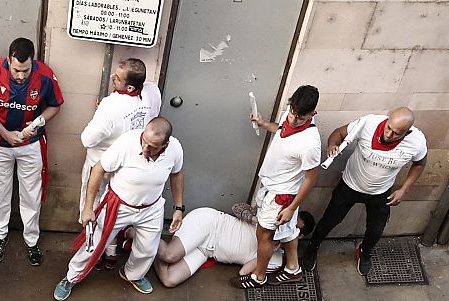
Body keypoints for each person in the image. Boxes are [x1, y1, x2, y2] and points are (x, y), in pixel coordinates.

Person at [54, 117, 184, 301]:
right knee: (94, 245)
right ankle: (71, 277)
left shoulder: (175, 148)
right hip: (119, 204)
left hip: (151, 208)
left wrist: (178, 207)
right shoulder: (127, 142)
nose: (145, 149)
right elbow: (98, 169)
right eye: (144, 142)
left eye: (152, 146)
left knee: (148, 250)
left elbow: (177, 174)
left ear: (165, 144)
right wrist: (88, 207)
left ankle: (132, 274)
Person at [301, 107, 428, 275]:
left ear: (407, 132)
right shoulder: (368, 123)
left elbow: (420, 164)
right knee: (329, 221)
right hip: (350, 185)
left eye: (396, 133)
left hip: (381, 192)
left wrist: (404, 189)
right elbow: (339, 133)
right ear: (387, 119)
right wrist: (332, 145)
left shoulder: (417, 141)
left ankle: (364, 251)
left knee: (376, 230)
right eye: (389, 127)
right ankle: (313, 246)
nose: (389, 134)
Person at [0, 37, 63, 266]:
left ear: (33, 62)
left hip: (31, 144)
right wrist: (5, 133)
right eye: (16, 69)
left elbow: (55, 105)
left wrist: (37, 123)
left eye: (26, 70)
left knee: (31, 195)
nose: (21, 75)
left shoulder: (44, 75)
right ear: (8, 59)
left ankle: (32, 240)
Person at [230, 85, 321, 289]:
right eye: (292, 112)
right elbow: (280, 130)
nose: (293, 119)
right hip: (272, 186)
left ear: (312, 114)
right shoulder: (288, 115)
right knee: (288, 232)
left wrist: (290, 208)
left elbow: (311, 179)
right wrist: (263, 124)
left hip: (282, 196)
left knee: (264, 235)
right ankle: (293, 269)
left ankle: (258, 276)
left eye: (300, 117)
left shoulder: (310, 144)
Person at [79, 58, 161, 269]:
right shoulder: (152, 93)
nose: (113, 78)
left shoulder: (111, 105)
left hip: (102, 165)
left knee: (94, 208)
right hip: (128, 167)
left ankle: (92, 255)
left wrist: (100, 112)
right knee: (116, 210)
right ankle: (111, 252)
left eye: (118, 78)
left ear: (131, 86)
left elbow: (87, 139)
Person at [155, 207, 315, 287]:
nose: (287, 228)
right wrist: (256, 219)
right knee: (169, 255)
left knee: (170, 280)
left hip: (207, 251)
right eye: (290, 223)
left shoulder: (276, 259)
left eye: (294, 229)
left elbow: (243, 272)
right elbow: (236, 208)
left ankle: (147, 250)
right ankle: (137, 232)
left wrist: (268, 251)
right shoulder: (268, 221)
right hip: (210, 224)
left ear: (298, 237)